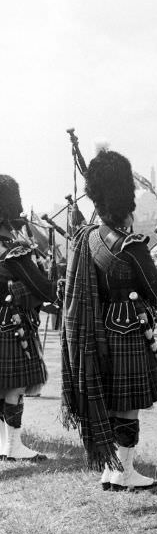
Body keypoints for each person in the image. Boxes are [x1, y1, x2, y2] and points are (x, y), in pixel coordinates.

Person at [61, 148, 157, 491]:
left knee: (108, 400)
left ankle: (109, 468)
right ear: (124, 197)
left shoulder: (86, 238)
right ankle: (124, 472)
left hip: (97, 328)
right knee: (129, 404)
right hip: (127, 329)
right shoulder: (130, 246)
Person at [0, 175, 57, 461]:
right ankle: (14, 446)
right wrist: (47, 267)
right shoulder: (14, 252)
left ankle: (2, 443)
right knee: (15, 386)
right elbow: (44, 289)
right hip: (12, 327)